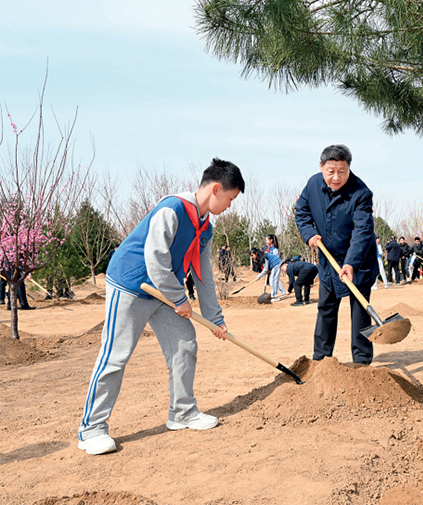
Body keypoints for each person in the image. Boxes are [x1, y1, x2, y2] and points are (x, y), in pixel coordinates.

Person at [78, 158, 244, 455]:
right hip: (131, 284)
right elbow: (155, 258)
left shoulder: (205, 227)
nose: (230, 206)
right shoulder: (173, 209)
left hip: (164, 292)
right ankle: (91, 429)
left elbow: (202, 275)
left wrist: (214, 318)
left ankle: (182, 412)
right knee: (115, 356)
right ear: (216, 189)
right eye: (230, 199)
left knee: (184, 344)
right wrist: (180, 299)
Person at [295, 144, 379, 365]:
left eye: (342, 171)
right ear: (321, 166)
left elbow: (362, 231)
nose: (336, 177)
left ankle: (361, 361)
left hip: (358, 261)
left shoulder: (361, 192)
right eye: (331, 170)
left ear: (349, 169)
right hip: (329, 260)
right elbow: (301, 211)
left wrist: (351, 263)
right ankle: (320, 359)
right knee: (326, 308)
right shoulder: (313, 184)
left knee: (360, 310)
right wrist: (309, 233)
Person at [255, 234, 287, 299]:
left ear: (271, 240)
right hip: (270, 266)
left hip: (276, 265)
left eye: (267, 240)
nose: (266, 241)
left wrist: (267, 269)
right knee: (275, 280)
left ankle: (275, 295)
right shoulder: (265, 248)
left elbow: (275, 259)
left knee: (273, 280)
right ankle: (283, 292)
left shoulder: (274, 250)